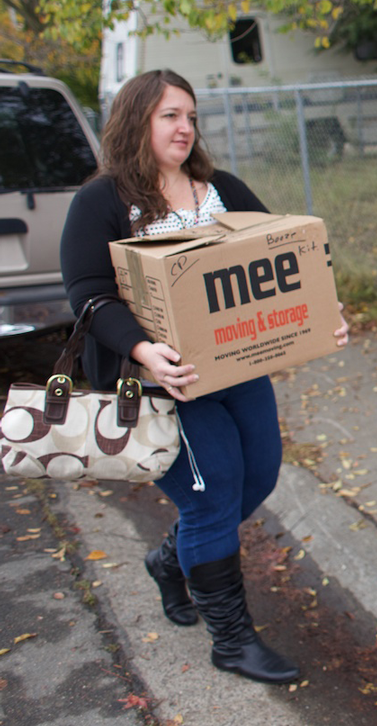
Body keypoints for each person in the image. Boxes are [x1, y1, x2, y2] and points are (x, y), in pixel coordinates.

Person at [60, 69, 349, 684]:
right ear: (137, 120)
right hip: (170, 383)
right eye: (169, 115)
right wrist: (141, 349)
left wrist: (327, 313)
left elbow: (285, 258)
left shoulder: (219, 188)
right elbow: (86, 294)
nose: (185, 126)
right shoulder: (103, 201)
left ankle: (172, 561)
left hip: (236, 368)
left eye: (190, 115)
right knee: (212, 492)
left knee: (261, 474)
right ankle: (232, 641)